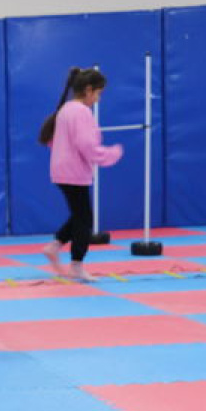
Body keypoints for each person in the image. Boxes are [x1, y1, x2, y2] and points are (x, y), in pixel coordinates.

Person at [38, 67, 123, 282]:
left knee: (80, 215)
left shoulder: (66, 109)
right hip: (73, 171)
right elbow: (86, 144)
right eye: (98, 94)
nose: (98, 99)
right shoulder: (81, 112)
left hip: (62, 170)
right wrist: (109, 155)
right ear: (88, 90)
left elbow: (55, 140)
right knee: (85, 219)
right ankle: (76, 264)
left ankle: (55, 246)